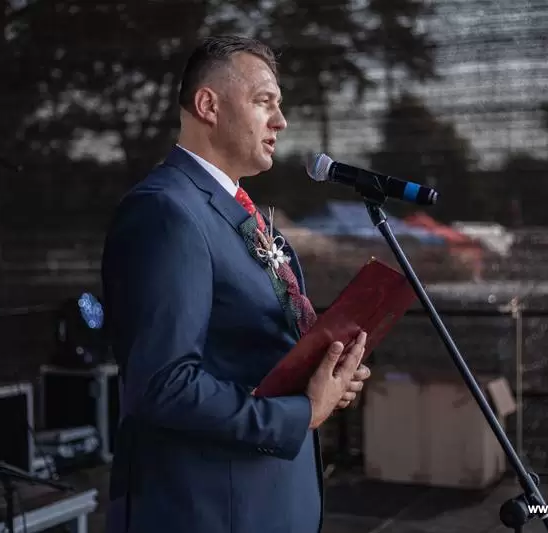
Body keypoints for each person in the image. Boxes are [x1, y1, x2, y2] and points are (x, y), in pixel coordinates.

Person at [101, 35, 372, 533]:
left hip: (269, 501)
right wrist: (302, 413)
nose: (280, 121)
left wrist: (324, 377)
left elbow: (252, 353)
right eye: (264, 101)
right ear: (208, 105)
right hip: (210, 511)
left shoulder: (242, 213)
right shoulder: (165, 211)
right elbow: (163, 385)